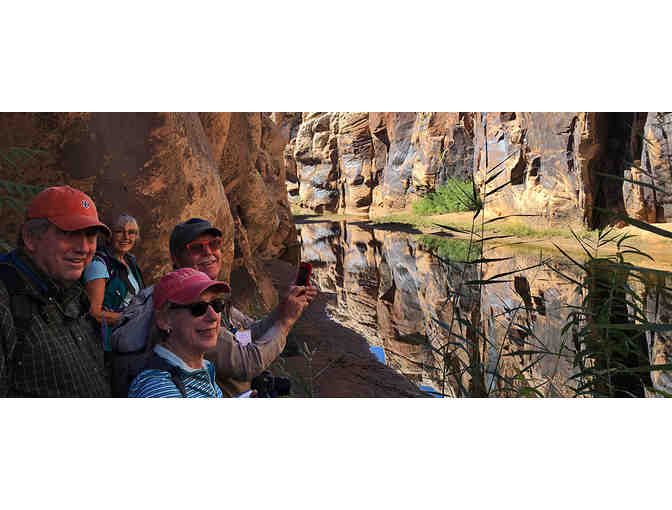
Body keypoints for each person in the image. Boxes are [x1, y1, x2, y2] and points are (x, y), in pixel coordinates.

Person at [113, 218, 317, 396]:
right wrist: (285, 321)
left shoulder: (211, 297)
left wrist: (284, 308)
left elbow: (247, 333)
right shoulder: (183, 311)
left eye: (214, 244)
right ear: (175, 258)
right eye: (196, 248)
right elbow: (247, 363)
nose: (209, 252)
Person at [0, 185, 112, 397]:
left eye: (91, 236)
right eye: (69, 234)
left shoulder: (73, 293)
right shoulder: (6, 301)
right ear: (31, 237)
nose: (84, 248)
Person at [128, 268, 230, 398]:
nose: (214, 316)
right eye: (198, 308)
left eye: (217, 304)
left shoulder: (198, 370)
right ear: (164, 319)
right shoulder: (159, 389)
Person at [82, 214, 144, 349]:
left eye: (131, 232)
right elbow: (94, 313)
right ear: (109, 236)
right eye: (119, 231)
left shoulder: (130, 261)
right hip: (107, 344)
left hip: (128, 339)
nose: (126, 237)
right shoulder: (98, 265)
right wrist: (131, 318)